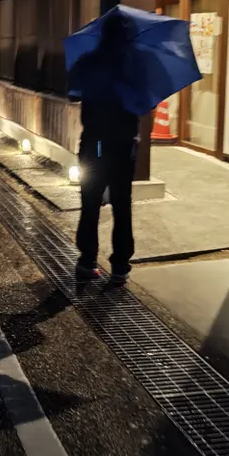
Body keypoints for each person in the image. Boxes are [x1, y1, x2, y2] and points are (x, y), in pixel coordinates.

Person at [73, 14, 139, 289]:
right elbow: (144, 103)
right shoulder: (135, 65)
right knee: (122, 205)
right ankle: (120, 267)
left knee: (90, 203)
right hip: (123, 144)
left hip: (94, 142)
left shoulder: (89, 60)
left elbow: (72, 92)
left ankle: (87, 261)